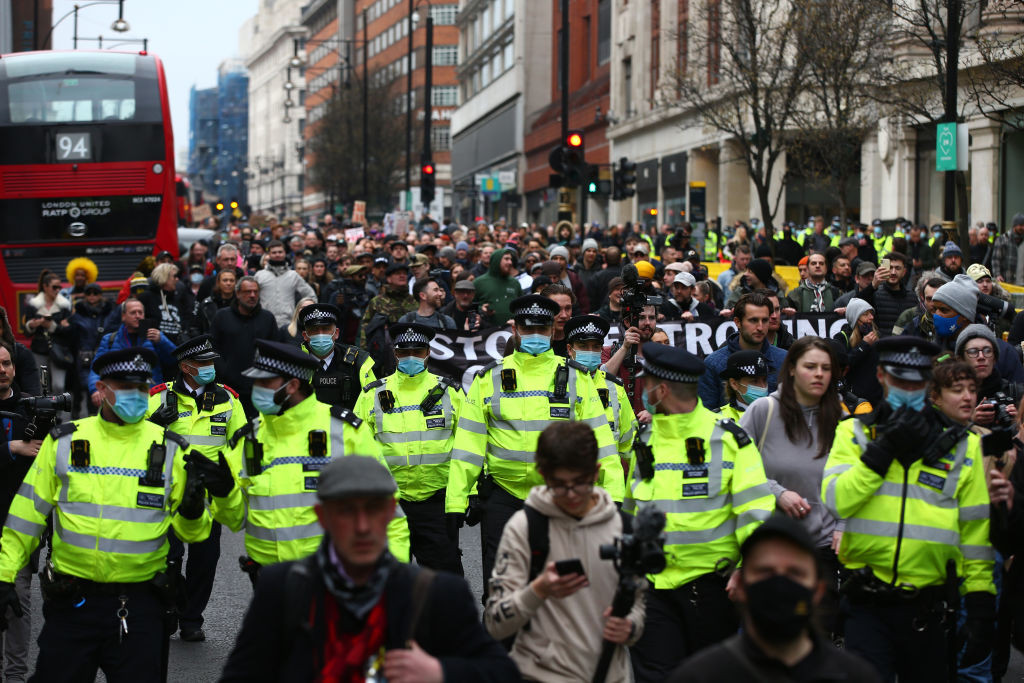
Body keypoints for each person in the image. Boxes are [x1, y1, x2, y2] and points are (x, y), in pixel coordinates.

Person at [0, 348, 215, 683]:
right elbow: (24, 518)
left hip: (141, 607)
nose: (137, 395)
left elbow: (196, 533)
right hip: (73, 603)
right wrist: (3, 576)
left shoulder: (171, 447)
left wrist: (192, 511)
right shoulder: (66, 442)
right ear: (101, 389)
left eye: (142, 388)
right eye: (126, 387)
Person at [220, 455, 520, 683]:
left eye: (373, 510)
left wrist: (439, 670)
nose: (362, 527)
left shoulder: (439, 593)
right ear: (322, 516)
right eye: (347, 512)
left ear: (390, 513)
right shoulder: (282, 588)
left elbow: (501, 671)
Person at [821, 337, 995, 681]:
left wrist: (979, 602)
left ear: (929, 384)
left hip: (927, 607)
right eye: (900, 381)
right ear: (882, 377)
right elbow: (836, 500)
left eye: (916, 383)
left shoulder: (963, 445)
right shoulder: (854, 433)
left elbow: (975, 532)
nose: (908, 389)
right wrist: (880, 454)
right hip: (866, 603)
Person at [445, 295, 622, 598]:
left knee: (560, 593)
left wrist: (615, 495)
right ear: (516, 330)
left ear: (554, 331)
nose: (535, 336)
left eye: (542, 329)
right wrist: (456, 500)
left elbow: (600, 442)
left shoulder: (577, 378)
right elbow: (469, 443)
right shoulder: (490, 378)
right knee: (501, 593)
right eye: (528, 329)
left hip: (560, 500)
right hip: (503, 498)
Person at [625, 342, 774, 681]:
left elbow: (756, 511)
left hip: (712, 590)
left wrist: (747, 569)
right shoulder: (645, 438)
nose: (644, 391)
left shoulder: (729, 439)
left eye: (647, 384)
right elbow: (633, 514)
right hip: (653, 589)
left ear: (661, 390)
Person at [220, 340, 409, 586]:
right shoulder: (248, 439)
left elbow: (386, 513)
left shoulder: (345, 432)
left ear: (293, 385)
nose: (257, 389)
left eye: (265, 383)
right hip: (269, 580)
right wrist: (222, 493)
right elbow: (235, 519)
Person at [484, 422, 645, 682]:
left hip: (610, 675)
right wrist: (538, 591)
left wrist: (630, 627)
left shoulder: (622, 528)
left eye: (580, 483)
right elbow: (495, 623)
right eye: (559, 484)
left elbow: (638, 605)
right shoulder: (524, 528)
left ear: (596, 472)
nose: (570, 495)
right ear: (543, 474)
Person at [668, 516, 882, 683]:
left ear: (818, 591)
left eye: (795, 573)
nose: (780, 584)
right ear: (741, 586)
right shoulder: (699, 677)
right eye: (765, 572)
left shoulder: (855, 677)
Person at [146, 335, 248, 643]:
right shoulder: (159, 397)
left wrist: (232, 483)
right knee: (169, 557)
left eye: (211, 362)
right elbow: (134, 443)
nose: (210, 368)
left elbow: (241, 443)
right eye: (203, 363)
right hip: (168, 494)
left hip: (210, 495)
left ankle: (191, 618)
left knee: (205, 560)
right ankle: (170, 607)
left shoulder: (228, 400)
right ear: (185, 367)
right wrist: (154, 424)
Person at [739, 337, 845, 630]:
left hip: (825, 551)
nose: (819, 374)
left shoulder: (841, 418)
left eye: (826, 368)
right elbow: (736, 468)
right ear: (792, 370)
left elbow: (853, 481)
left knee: (817, 641)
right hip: (773, 545)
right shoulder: (763, 411)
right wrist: (777, 493)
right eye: (810, 366)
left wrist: (843, 525)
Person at [354, 323, 463, 575]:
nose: (411, 357)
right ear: (395, 354)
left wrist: (465, 495)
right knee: (387, 583)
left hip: (437, 502)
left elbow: (467, 446)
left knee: (443, 583)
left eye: (418, 351)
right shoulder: (372, 393)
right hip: (389, 503)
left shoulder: (451, 392)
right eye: (404, 352)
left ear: (428, 353)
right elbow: (356, 448)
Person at [0, 343, 38, 683]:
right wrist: (11, 447)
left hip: (19, 524)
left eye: (7, 363)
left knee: (19, 601)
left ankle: (15, 676)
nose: (2, 369)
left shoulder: (32, 407)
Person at [564, 315, 638, 471]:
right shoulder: (554, 384)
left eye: (596, 346)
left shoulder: (615, 388)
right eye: (583, 346)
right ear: (570, 349)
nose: (590, 351)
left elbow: (631, 445)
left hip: (609, 489)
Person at [699, 293, 787, 410]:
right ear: (737, 322)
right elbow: (706, 412)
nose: (760, 327)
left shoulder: (784, 359)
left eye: (765, 320)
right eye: (753, 320)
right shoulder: (713, 364)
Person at [210, 276, 281, 418]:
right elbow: (213, 347)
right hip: (227, 387)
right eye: (248, 292)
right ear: (238, 293)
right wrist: (225, 371)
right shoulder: (222, 316)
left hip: (258, 389)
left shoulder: (267, 318)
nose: (252, 295)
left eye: (255, 292)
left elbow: (275, 350)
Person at [88, 299, 176, 406]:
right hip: (119, 397)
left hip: (151, 397)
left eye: (140, 312)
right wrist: (95, 390)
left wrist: (162, 341)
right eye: (133, 312)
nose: (137, 316)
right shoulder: (109, 340)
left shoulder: (155, 338)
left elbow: (174, 361)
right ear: (123, 316)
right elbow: (96, 368)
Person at [298, 303, 375, 409]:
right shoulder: (295, 362)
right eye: (314, 330)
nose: (320, 334)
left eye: (326, 329)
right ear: (305, 335)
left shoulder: (358, 360)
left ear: (336, 333)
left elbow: (372, 403)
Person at [22, 270, 73, 395]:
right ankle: (43, 412)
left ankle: (59, 413)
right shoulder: (33, 305)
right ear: (45, 287)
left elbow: (70, 331)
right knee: (41, 385)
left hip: (59, 349)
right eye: (54, 287)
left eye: (59, 287)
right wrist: (32, 325)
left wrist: (52, 326)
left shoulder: (64, 305)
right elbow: (26, 332)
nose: (57, 290)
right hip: (39, 349)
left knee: (59, 385)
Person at [955, 323, 1023, 412]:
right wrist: (969, 420)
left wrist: (1018, 421)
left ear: (995, 358)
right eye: (973, 351)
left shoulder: (1016, 395)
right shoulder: (949, 397)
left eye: (987, 351)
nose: (981, 356)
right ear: (961, 360)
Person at [255, 240, 316, 327]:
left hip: (287, 324)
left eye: (280, 252)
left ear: (284, 253)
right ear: (269, 254)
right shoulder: (259, 275)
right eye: (274, 252)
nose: (277, 254)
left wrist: (303, 316)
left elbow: (311, 295)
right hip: (265, 323)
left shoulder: (293, 275)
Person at [834, 298, 882, 406]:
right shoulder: (842, 337)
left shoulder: (877, 335)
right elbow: (844, 364)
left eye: (871, 314)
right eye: (866, 314)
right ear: (855, 318)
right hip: (855, 398)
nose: (871, 317)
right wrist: (863, 345)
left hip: (876, 397)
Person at [358, 262, 417, 348]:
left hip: (411, 348)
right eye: (398, 273)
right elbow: (365, 327)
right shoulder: (377, 302)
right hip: (384, 350)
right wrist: (365, 351)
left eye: (404, 273)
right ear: (389, 279)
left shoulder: (414, 300)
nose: (402, 276)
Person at [136, 262, 193, 346]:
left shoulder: (178, 297)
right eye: (174, 276)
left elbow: (185, 319)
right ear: (164, 277)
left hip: (177, 347)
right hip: (155, 347)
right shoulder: (147, 297)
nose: (177, 279)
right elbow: (140, 325)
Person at [473, 248, 524, 325]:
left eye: (511, 259)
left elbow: (522, 307)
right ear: (496, 261)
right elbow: (471, 307)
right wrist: (481, 310)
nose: (510, 262)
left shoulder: (515, 283)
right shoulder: (479, 282)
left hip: (511, 332)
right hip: (488, 333)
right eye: (506, 259)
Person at [717, 350, 769, 423]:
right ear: (734, 384)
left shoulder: (779, 414)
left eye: (764, 380)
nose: (763, 387)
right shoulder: (718, 418)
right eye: (754, 381)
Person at [873, 252, 914, 336]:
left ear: (904, 272)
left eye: (898, 268)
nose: (893, 272)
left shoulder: (913, 297)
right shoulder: (874, 294)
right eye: (890, 268)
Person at [192, 268, 237, 337]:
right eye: (225, 280)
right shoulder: (207, 304)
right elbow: (197, 327)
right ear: (218, 283)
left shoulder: (240, 304)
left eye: (231, 281)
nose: (228, 283)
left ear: (235, 283)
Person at [991, 213, 1024, 283]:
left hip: (1021, 283)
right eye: (1021, 225)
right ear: (1014, 226)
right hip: (1006, 281)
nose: (1023, 228)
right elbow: (996, 259)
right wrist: (997, 274)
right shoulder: (1002, 239)